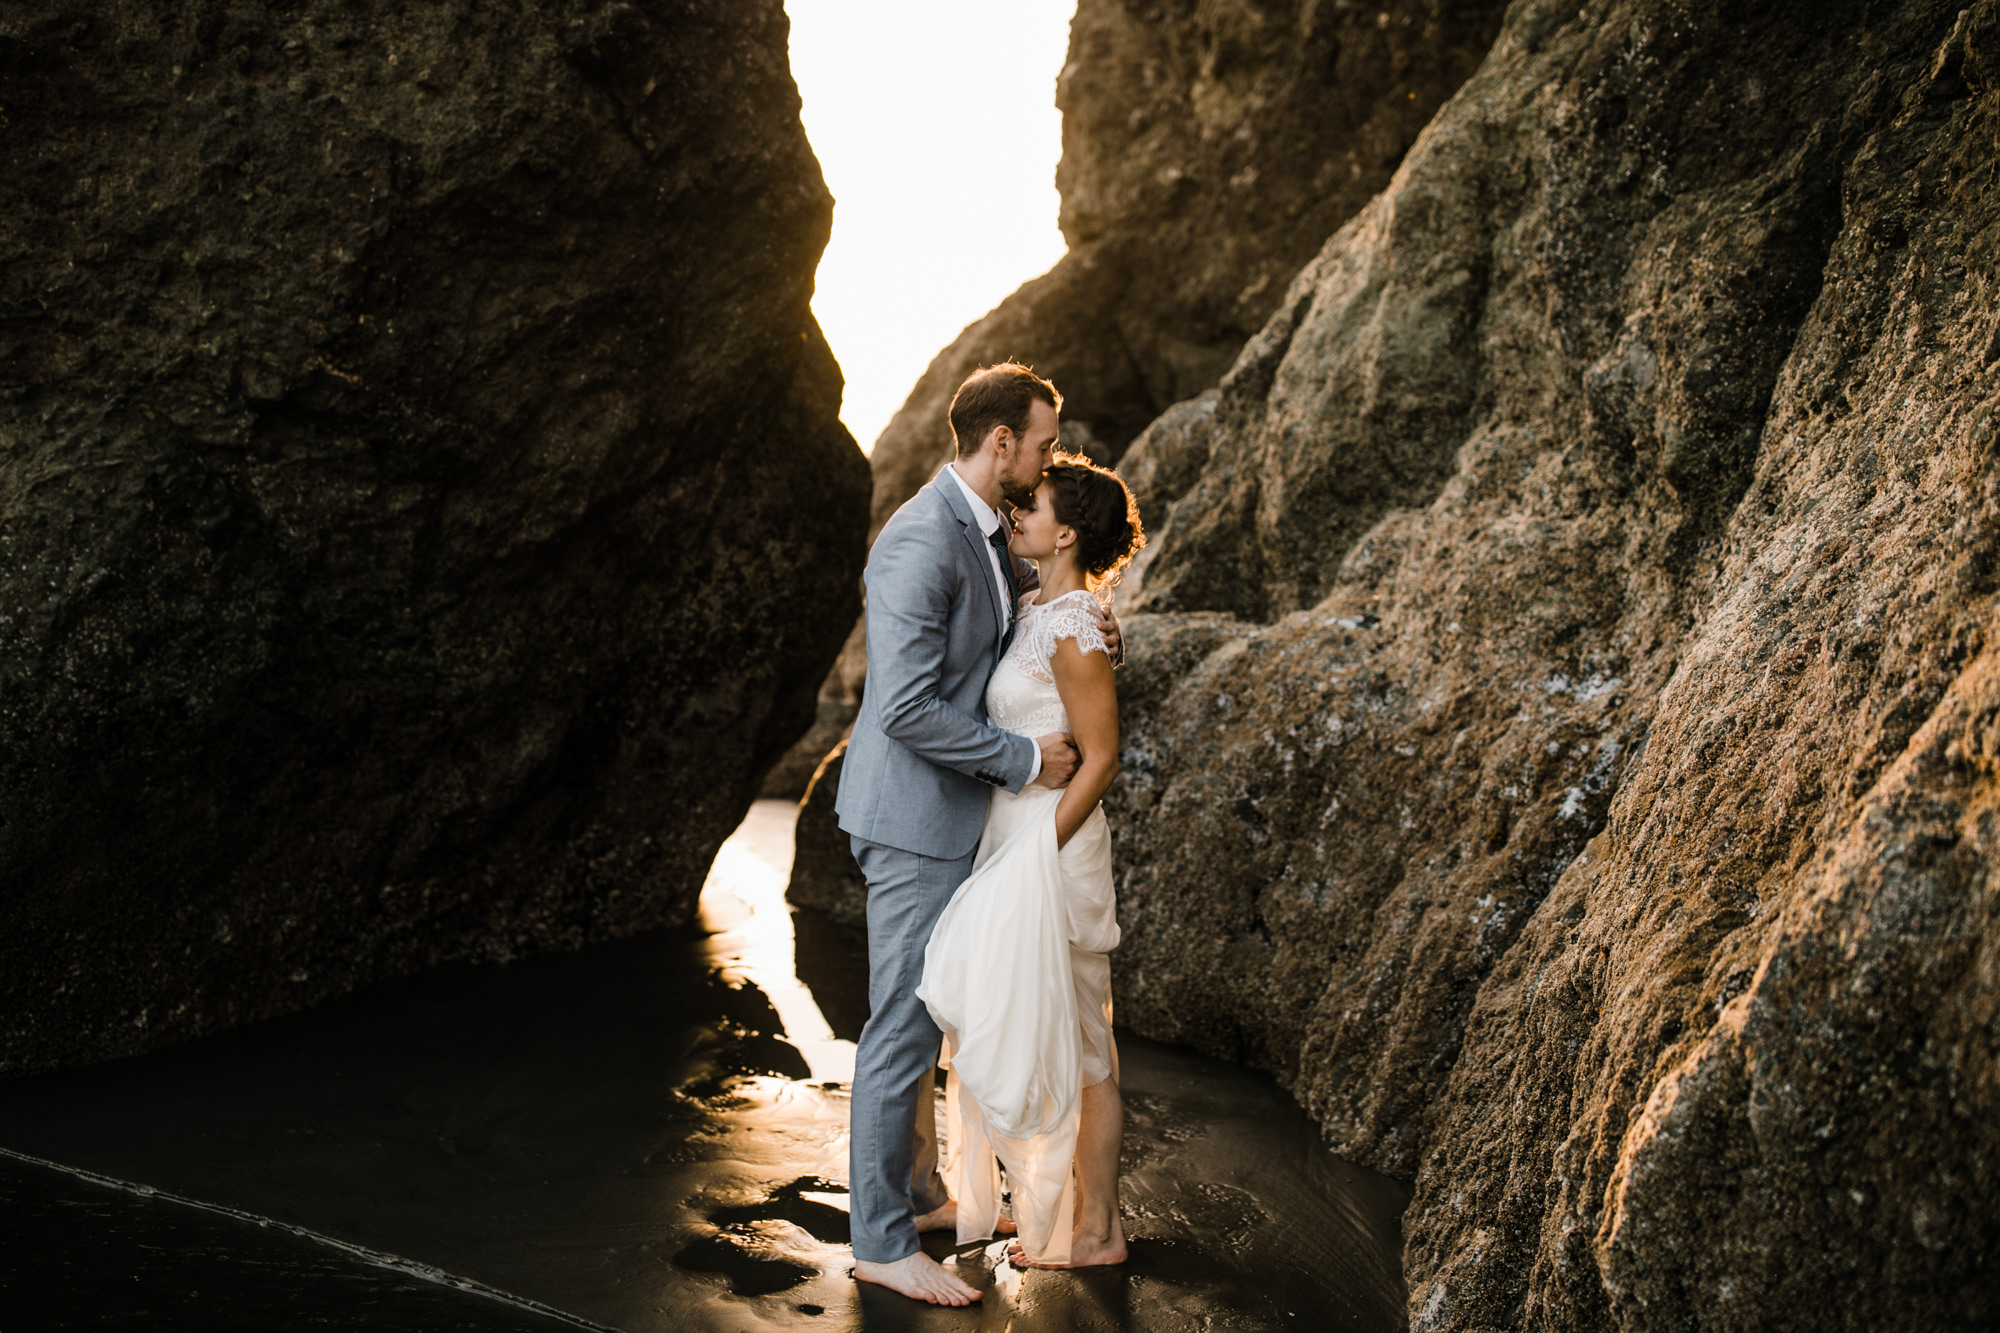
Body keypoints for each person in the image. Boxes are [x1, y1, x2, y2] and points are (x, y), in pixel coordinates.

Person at [834, 363, 1121, 1307]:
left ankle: (918, 1194)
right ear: (1000, 441)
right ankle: (878, 1239)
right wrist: (1019, 759)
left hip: (965, 819)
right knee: (902, 1025)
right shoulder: (921, 539)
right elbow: (906, 705)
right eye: (1040, 443)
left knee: (938, 1005)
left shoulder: (991, 532)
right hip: (916, 818)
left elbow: (1019, 646)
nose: (1047, 462)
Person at [917, 454, 1143, 1270]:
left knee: (1083, 1043)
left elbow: (1104, 757)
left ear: (1068, 532)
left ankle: (1098, 1231)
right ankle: (1057, 1210)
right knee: (1023, 1022)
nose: (1018, 515)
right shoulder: (1036, 606)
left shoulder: (1077, 622)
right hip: (1013, 841)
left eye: (1033, 507)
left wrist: (1037, 856)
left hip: (1053, 850)